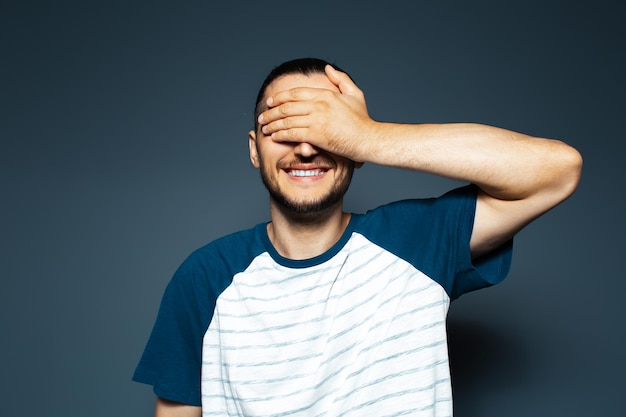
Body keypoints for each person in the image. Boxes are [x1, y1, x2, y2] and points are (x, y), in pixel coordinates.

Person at [133, 57, 582, 417]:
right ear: (254, 149)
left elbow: (556, 171)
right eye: (283, 127)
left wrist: (368, 136)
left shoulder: (418, 242)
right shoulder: (205, 278)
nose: (306, 147)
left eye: (324, 128)